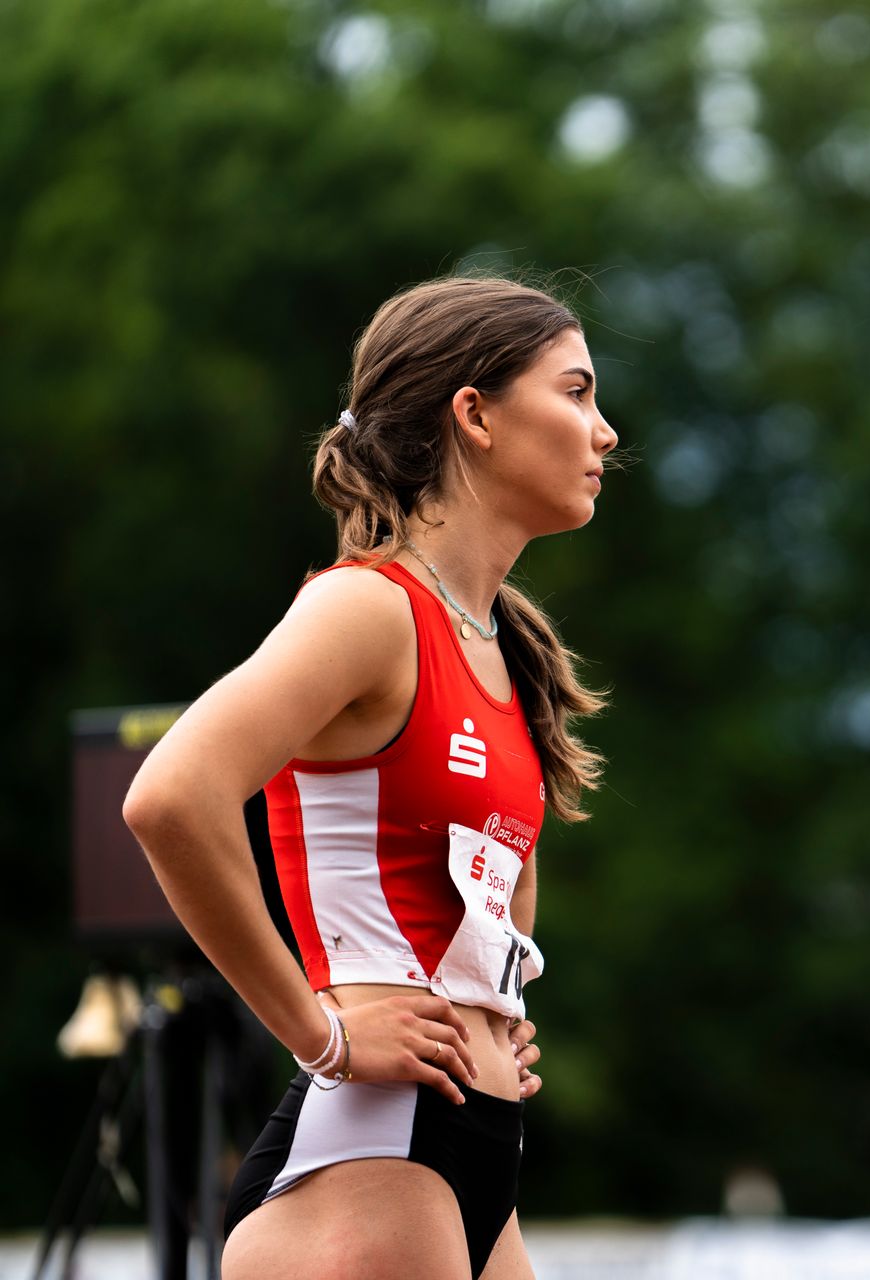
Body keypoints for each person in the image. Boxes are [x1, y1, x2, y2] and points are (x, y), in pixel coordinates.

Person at [122, 273, 619, 1279]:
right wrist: (321, 1033)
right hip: (372, 1151)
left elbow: (491, 891)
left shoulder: (501, 648)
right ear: (473, 413)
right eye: (576, 392)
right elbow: (170, 795)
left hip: (472, 1152)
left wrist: (502, 1008)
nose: (604, 431)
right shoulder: (368, 608)